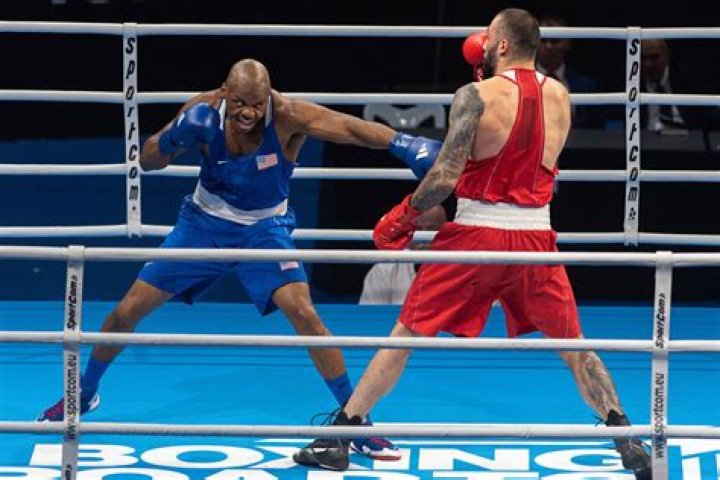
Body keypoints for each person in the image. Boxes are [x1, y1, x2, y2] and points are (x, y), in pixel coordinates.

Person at [293, 9, 652, 479]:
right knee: (575, 347)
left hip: (477, 235)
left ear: (501, 44)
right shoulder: (561, 96)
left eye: (489, 37)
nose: (481, 43)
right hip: (535, 237)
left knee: (406, 335)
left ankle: (342, 437)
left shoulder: (475, 95)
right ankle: (628, 440)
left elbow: (444, 177)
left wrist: (403, 215)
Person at [36, 58, 444, 461]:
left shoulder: (287, 115)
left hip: (265, 230)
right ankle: (83, 395)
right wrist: (175, 137)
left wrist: (402, 143)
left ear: (269, 97)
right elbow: (148, 160)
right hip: (201, 224)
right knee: (127, 311)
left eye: (257, 104)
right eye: (240, 103)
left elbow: (350, 129)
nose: (249, 112)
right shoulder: (203, 108)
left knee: (306, 316)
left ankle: (355, 422)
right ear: (225, 92)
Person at [359, 205, 446, 305]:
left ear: (445, 231)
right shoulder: (385, 269)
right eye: (417, 229)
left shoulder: (458, 267)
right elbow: (370, 313)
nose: (423, 236)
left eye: (432, 229)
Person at [536, 14, 601, 128]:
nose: (548, 46)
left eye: (555, 41)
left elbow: (597, 130)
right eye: (543, 40)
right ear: (535, 44)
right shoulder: (519, 82)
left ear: (567, 43)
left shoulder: (585, 86)